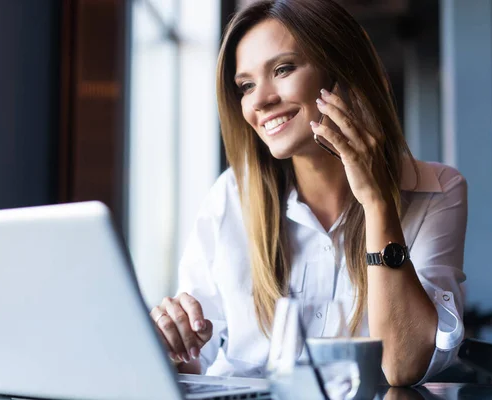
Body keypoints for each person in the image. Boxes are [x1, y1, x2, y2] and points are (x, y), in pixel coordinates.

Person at [149, 0, 467, 386]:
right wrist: (172, 340)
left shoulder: (436, 191)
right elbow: (196, 361)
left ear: (343, 74)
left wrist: (377, 202)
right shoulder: (231, 194)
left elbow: (401, 365)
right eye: (246, 86)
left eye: (282, 69)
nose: (260, 100)